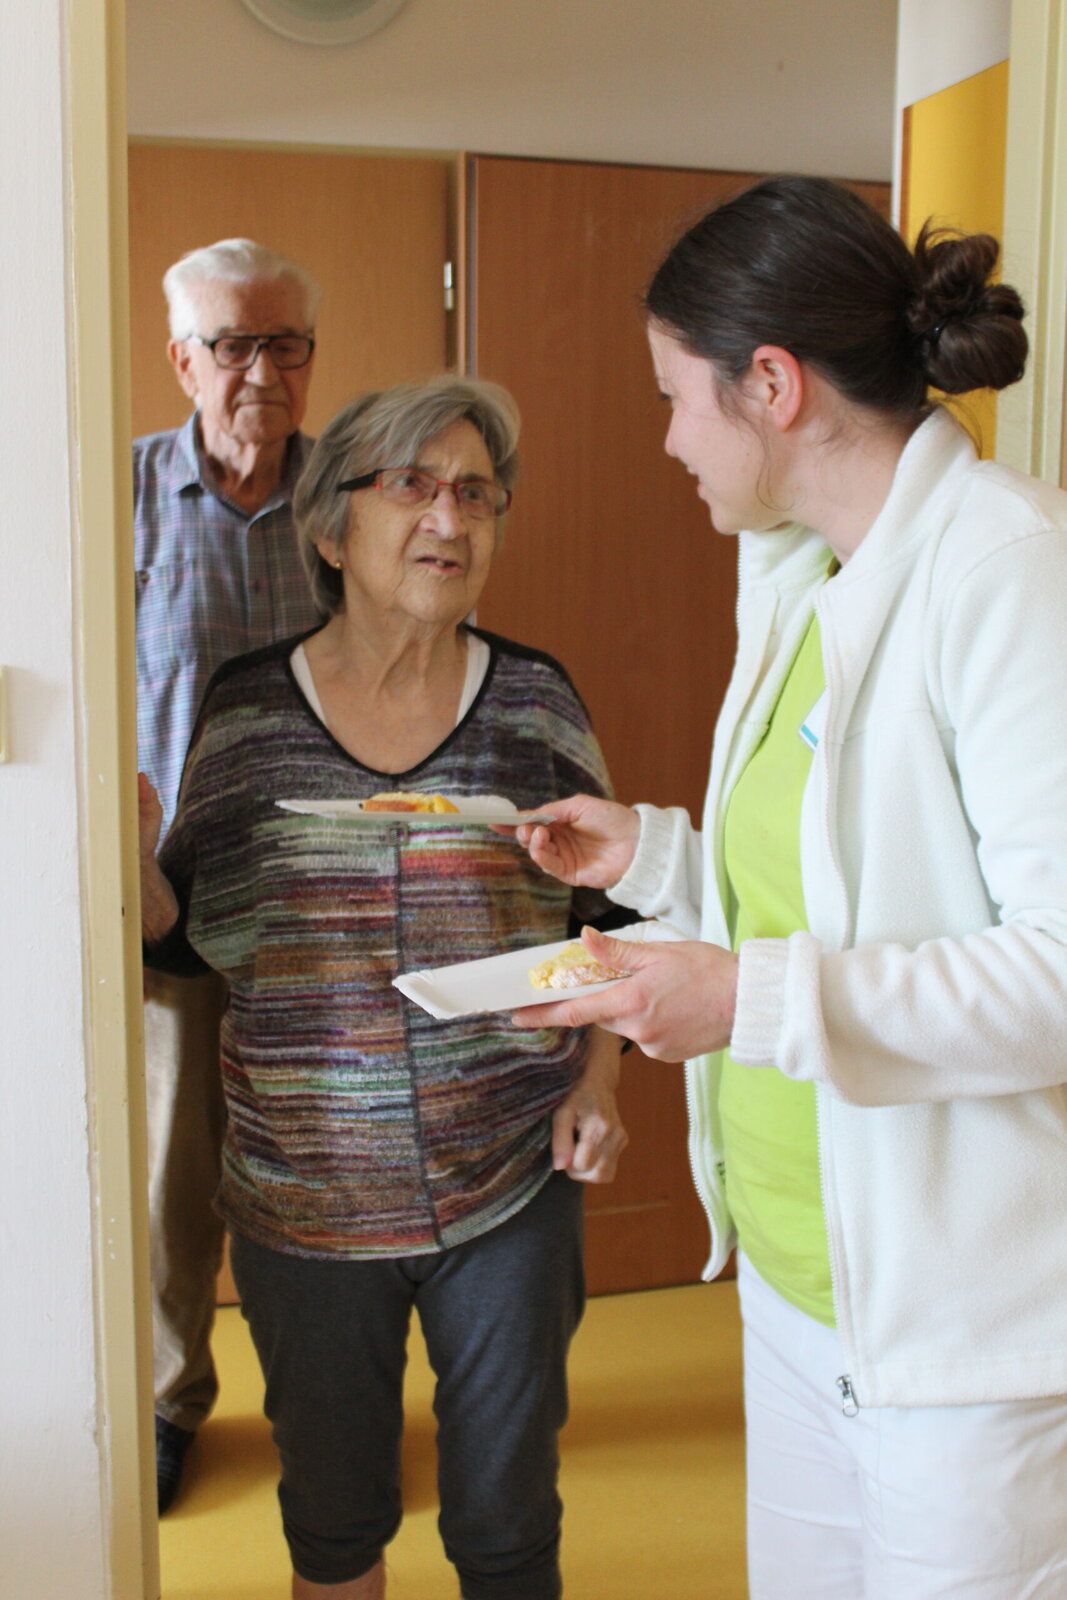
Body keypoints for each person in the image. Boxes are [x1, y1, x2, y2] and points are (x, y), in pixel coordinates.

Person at [508, 175, 1067, 1600]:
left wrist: (744, 1002)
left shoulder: (1007, 568)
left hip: (961, 1340)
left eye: (672, 398)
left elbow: (1054, 973)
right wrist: (656, 859)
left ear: (770, 384)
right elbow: (840, 893)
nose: (665, 438)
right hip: (793, 1279)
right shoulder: (804, 575)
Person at [139, 374, 628, 1600]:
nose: (448, 519)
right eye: (411, 486)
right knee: (333, 1522)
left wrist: (599, 1083)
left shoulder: (533, 700)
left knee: (508, 1527)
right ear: (329, 527)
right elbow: (188, 939)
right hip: (304, 1194)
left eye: (476, 492)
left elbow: (606, 923)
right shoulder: (249, 707)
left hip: (510, 1174)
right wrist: (114, 857)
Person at [135, 236, 324, 1510]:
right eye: (232, 344)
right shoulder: (118, 492)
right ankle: (166, 1398)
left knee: (321, 1158)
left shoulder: (353, 496)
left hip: (325, 894)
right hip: (174, 902)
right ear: (182, 360)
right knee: (173, 1169)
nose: (260, 370)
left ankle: (326, 1399)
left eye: (283, 343)